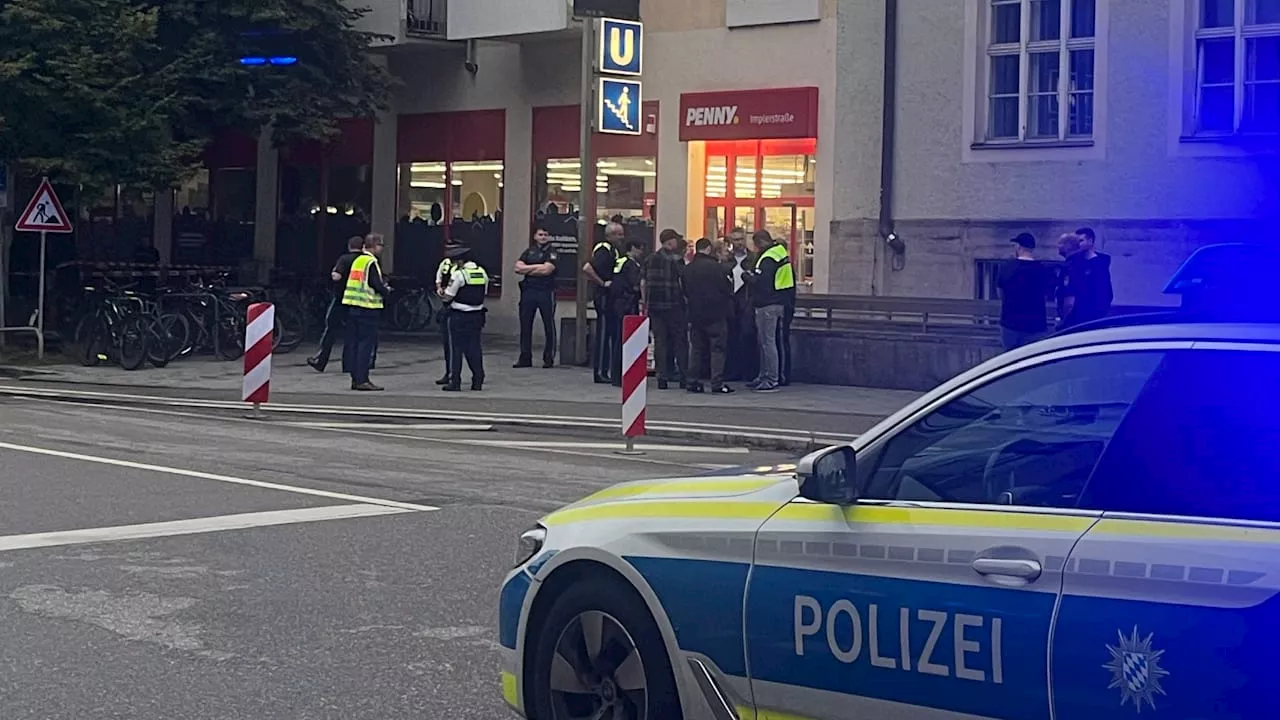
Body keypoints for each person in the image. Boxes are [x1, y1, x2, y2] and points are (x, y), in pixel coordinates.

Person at [683, 238, 734, 394]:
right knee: (717, 349)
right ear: (708, 249)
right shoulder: (718, 268)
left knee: (696, 349)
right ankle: (716, 383)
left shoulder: (688, 269)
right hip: (716, 314)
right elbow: (727, 289)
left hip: (695, 314)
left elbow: (684, 291)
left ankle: (692, 381)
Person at [746, 229, 794, 393]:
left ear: (759, 242)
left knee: (767, 343)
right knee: (767, 342)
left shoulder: (767, 258)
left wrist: (747, 277)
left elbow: (761, 282)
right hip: (779, 301)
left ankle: (770, 378)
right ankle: (766, 375)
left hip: (767, 303)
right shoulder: (779, 252)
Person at [308, 236, 364, 373]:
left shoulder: (344, 259)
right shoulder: (366, 261)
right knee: (353, 333)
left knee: (330, 329)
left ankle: (321, 360)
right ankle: (349, 365)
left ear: (349, 246)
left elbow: (336, 276)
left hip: (341, 299)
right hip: (359, 301)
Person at [341, 233, 390, 391]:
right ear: (375, 245)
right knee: (365, 345)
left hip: (353, 307)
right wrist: (387, 290)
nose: (382, 249)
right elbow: (375, 284)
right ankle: (363, 379)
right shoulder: (371, 262)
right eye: (381, 246)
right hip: (368, 308)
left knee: (354, 344)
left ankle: (355, 379)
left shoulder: (358, 260)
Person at [439, 244, 489, 391]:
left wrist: (442, 294)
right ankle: (478, 380)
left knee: (457, 349)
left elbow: (449, 296)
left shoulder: (459, 275)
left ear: (461, 261)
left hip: (459, 316)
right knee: (474, 348)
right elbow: (484, 293)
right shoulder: (482, 273)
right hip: (477, 315)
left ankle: (455, 381)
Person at [644, 229, 689, 390]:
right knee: (680, 341)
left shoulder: (650, 259)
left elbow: (644, 282)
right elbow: (683, 282)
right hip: (674, 305)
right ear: (670, 241)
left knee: (660, 342)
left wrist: (646, 303)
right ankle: (684, 375)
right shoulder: (676, 260)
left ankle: (661, 377)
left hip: (655, 307)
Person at [997, 232, 1055, 350]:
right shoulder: (1043, 270)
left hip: (1010, 324)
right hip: (1035, 325)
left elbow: (1000, 293)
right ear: (1032, 249)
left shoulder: (1007, 267)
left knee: (1009, 362)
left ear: (1018, 247)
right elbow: (1047, 294)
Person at [583, 221, 625, 383]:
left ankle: (607, 369)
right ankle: (600, 371)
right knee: (603, 333)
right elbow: (587, 268)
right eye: (619, 234)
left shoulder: (614, 250)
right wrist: (602, 283)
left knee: (610, 333)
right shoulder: (604, 250)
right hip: (604, 297)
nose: (622, 237)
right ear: (610, 235)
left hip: (612, 297)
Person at [513, 227, 559, 368]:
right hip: (528, 292)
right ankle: (525, 358)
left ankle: (548, 358)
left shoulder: (552, 252)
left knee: (548, 325)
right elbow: (517, 268)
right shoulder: (529, 251)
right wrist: (537, 267)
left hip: (545, 291)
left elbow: (547, 270)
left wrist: (528, 269)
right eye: (540, 234)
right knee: (525, 325)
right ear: (535, 236)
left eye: (546, 234)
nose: (543, 237)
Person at [608, 238, 646, 386]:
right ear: (633, 248)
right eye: (640, 248)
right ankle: (621, 375)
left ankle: (616, 375)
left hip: (617, 302)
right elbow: (635, 284)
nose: (642, 252)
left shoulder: (620, 261)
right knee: (625, 340)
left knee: (618, 339)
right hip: (626, 303)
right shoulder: (631, 264)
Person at [723, 228, 758, 382]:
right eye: (736, 239)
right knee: (731, 338)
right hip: (730, 304)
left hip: (747, 303)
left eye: (741, 239)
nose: (739, 243)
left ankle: (749, 371)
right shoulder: (726, 260)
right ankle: (733, 371)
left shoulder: (753, 258)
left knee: (748, 337)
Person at [434, 240, 462, 385]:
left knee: (457, 344)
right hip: (446, 303)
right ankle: (449, 372)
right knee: (447, 342)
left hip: (457, 304)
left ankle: (455, 374)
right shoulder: (444, 263)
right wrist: (439, 288)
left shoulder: (462, 266)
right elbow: (439, 277)